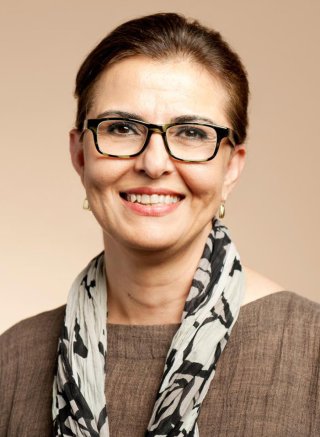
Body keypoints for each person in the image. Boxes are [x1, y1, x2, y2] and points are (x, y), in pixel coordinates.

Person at [0, 12, 319, 437]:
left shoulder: (310, 349)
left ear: (231, 169)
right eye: (121, 128)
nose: (153, 164)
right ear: (80, 155)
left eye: (191, 133)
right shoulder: (13, 362)